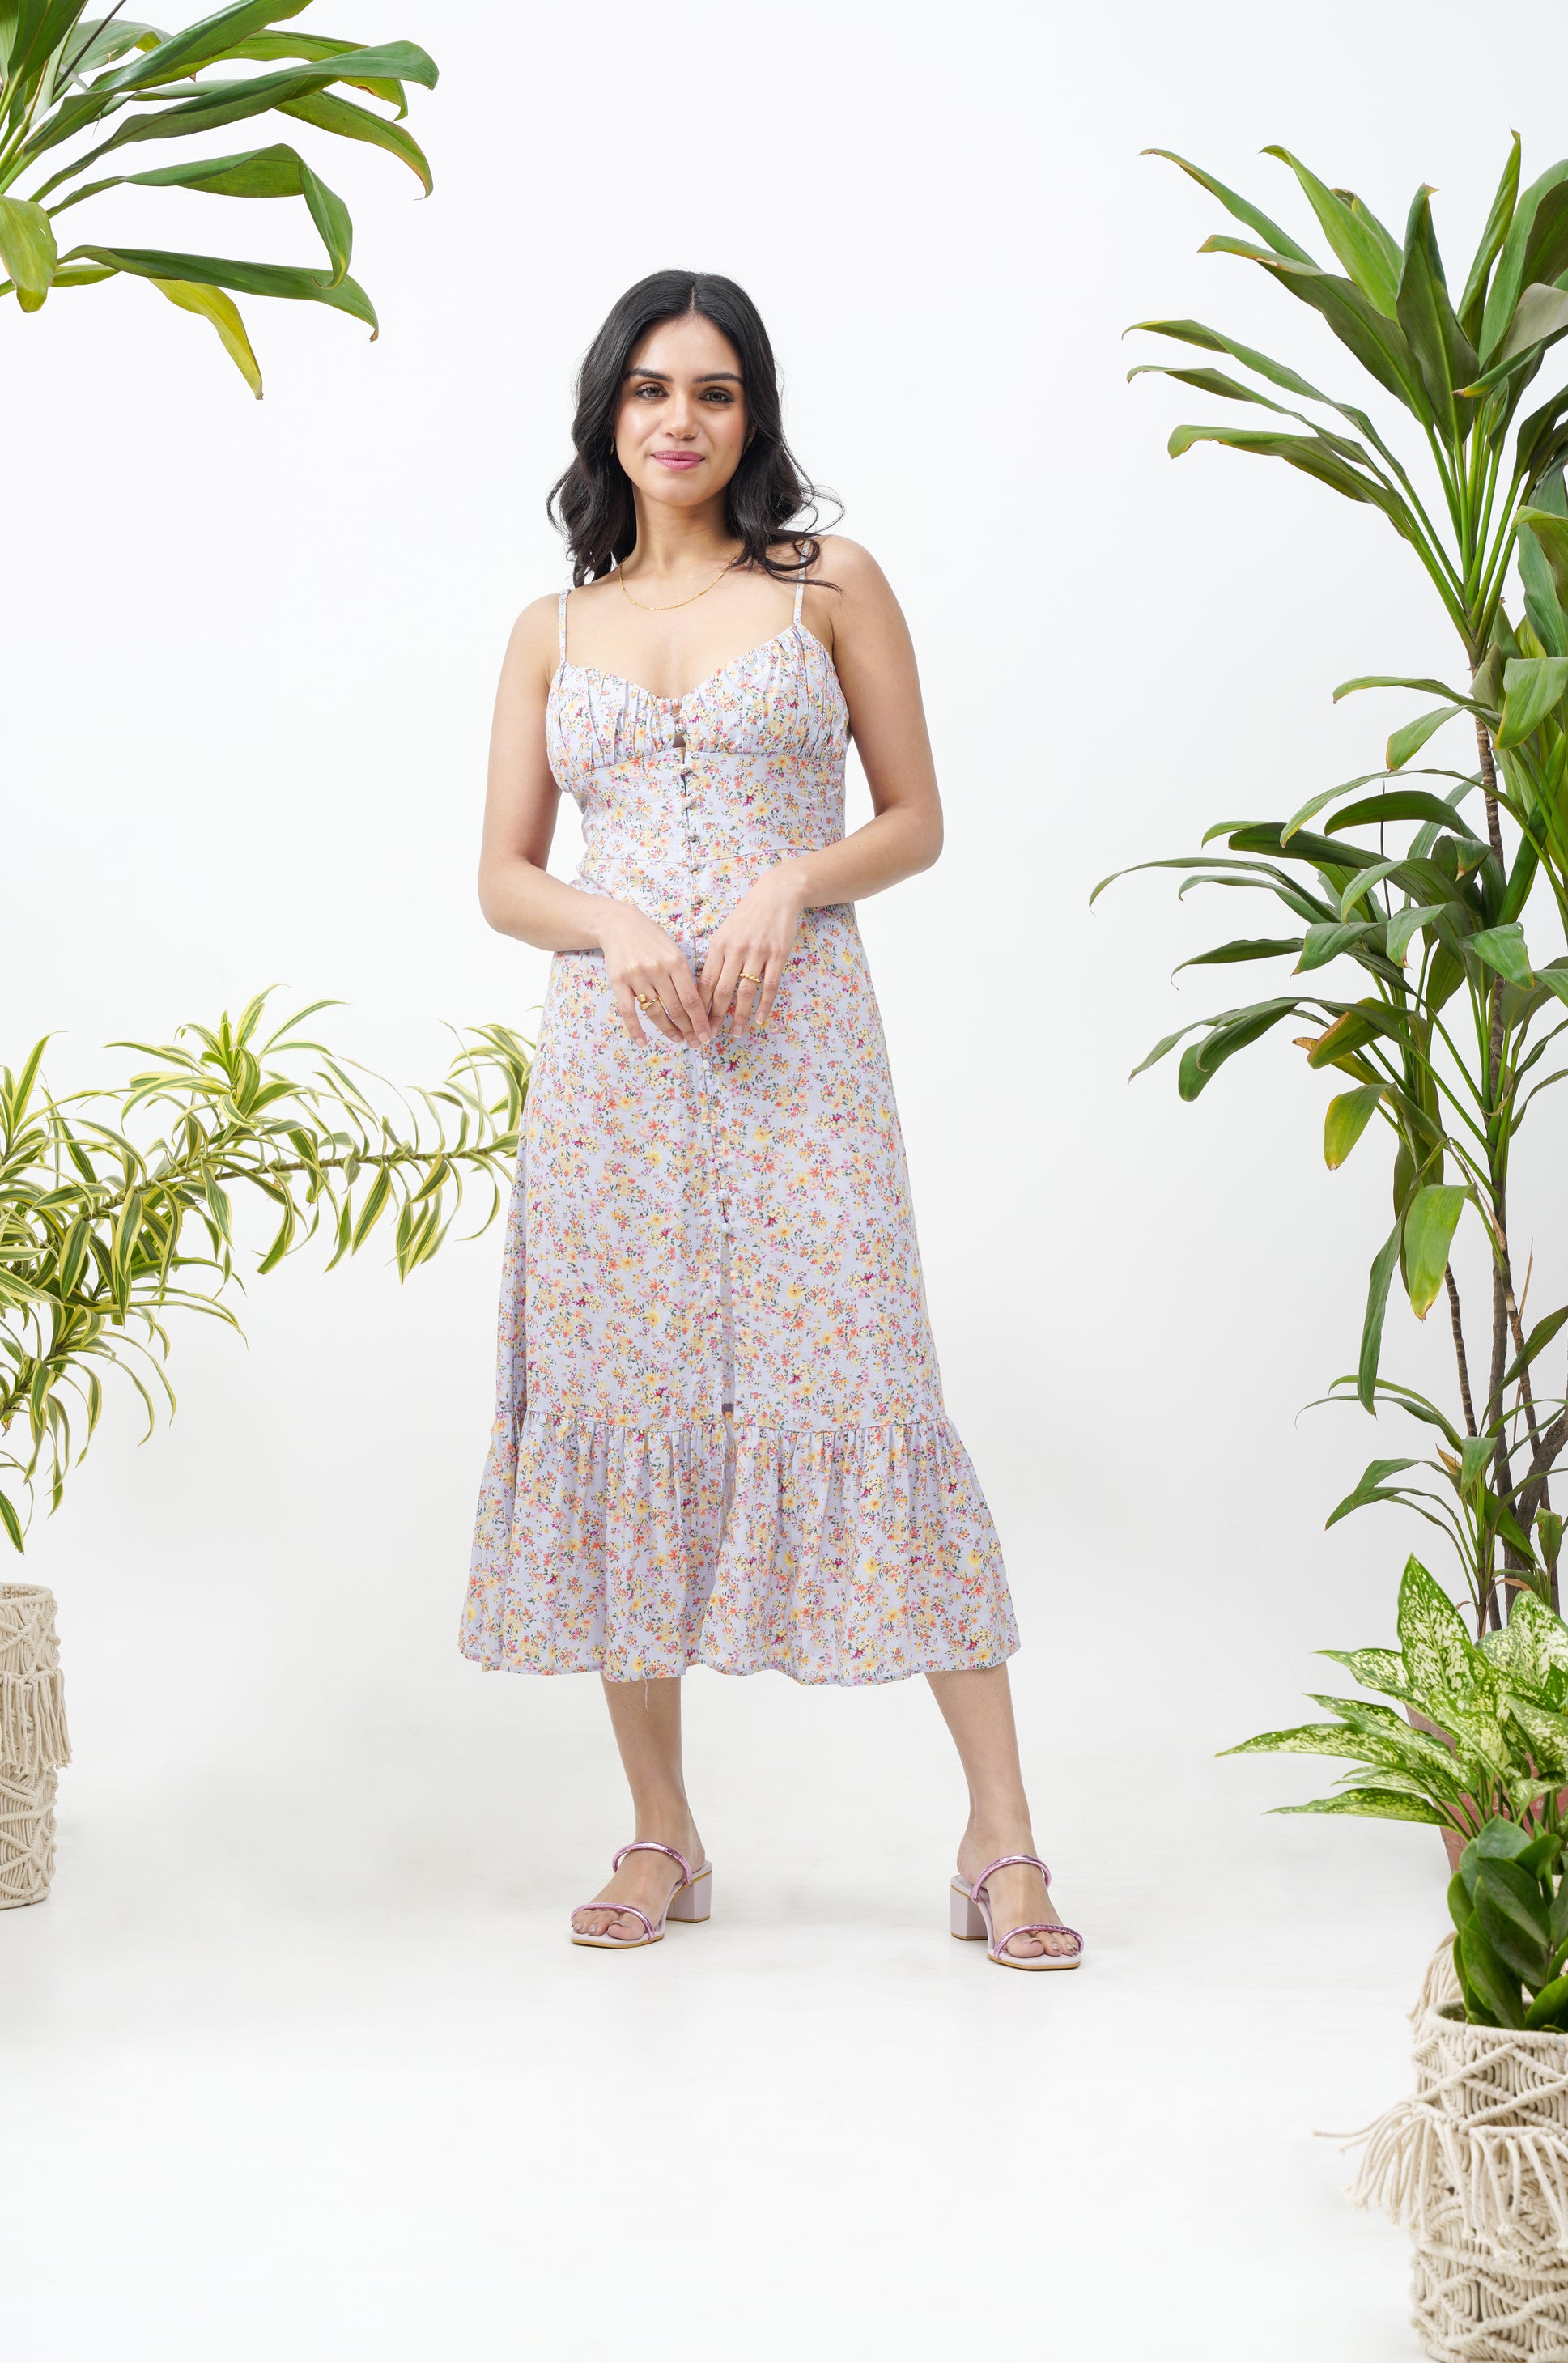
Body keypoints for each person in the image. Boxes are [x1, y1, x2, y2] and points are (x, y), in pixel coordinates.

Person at [462, 270, 1080, 1972]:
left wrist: (787, 882)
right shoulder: (552, 629)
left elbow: (916, 817)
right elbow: (504, 876)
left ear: (754, 416)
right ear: (608, 413)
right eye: (652, 389)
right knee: (621, 1404)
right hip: (614, 1075)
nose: (681, 419)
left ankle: (1001, 1835)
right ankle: (660, 1824)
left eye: (715, 391)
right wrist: (611, 918)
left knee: (872, 1383)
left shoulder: (828, 584)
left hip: (801, 1050)